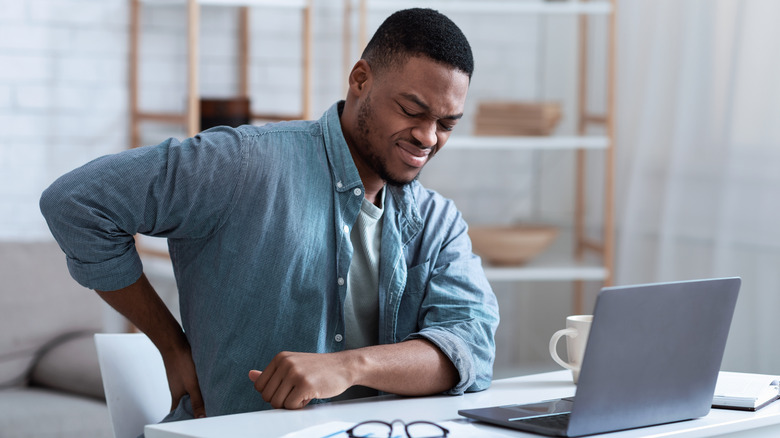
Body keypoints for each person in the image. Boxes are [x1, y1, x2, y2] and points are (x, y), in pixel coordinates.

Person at [40, 7, 499, 424]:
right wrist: (171, 344)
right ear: (361, 79)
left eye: (447, 124)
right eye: (412, 111)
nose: (427, 137)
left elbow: (471, 347)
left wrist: (347, 366)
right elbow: (76, 203)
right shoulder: (244, 163)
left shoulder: (438, 223)